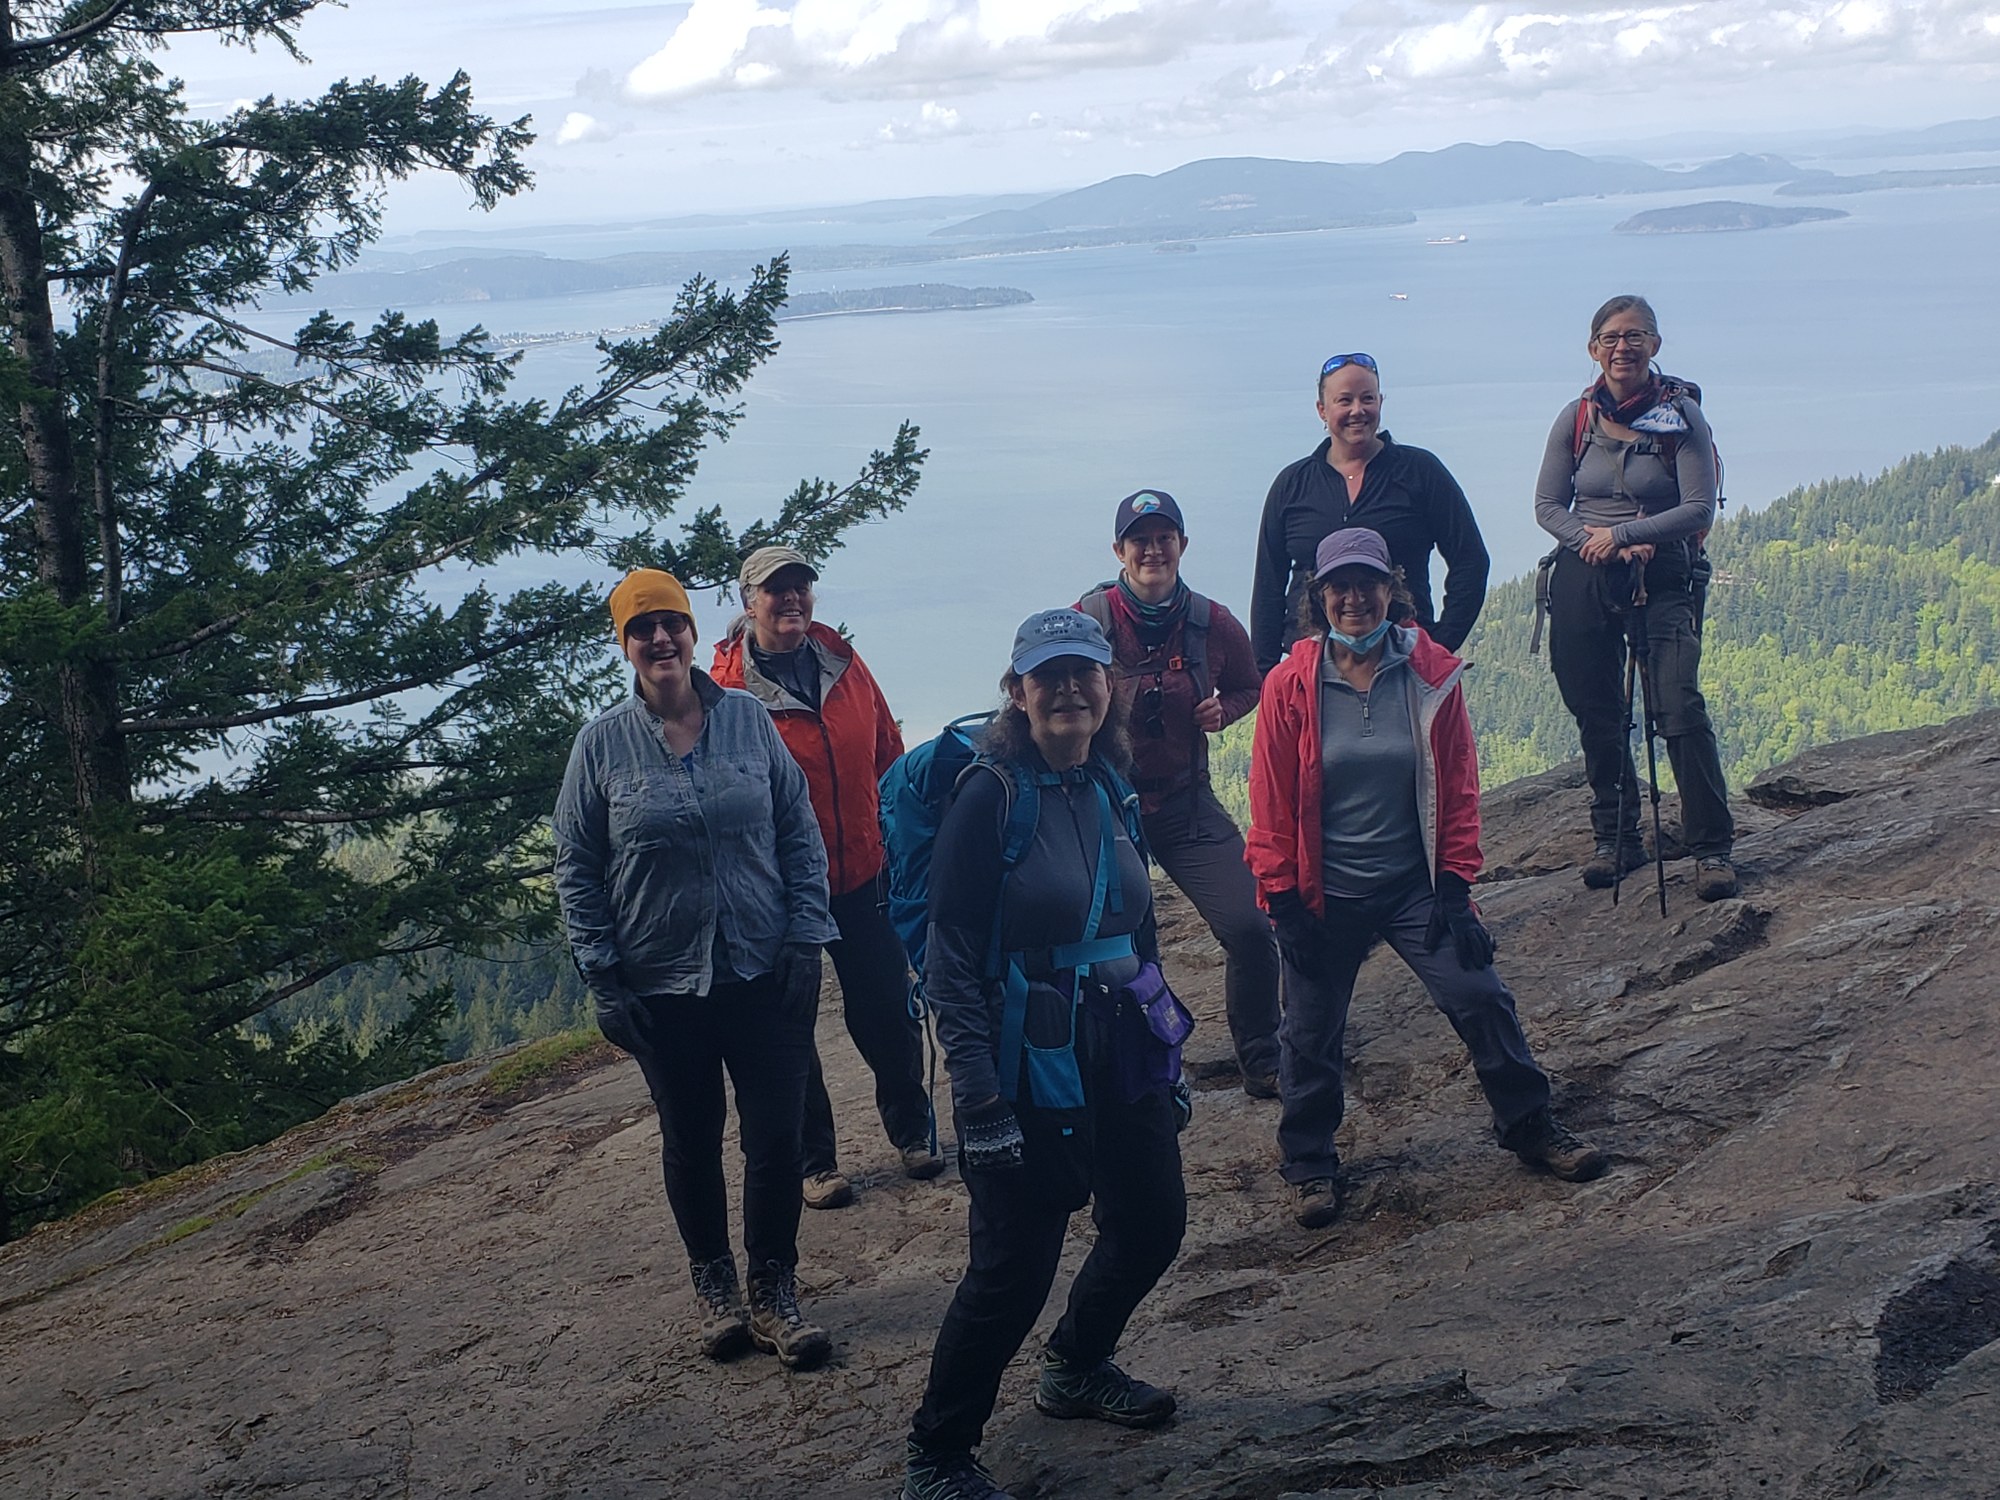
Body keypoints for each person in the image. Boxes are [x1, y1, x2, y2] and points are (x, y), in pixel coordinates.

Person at [903, 610, 1189, 1500]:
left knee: (1153, 1223)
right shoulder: (989, 798)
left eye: (1084, 672)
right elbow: (950, 960)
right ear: (1018, 693)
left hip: (1121, 1044)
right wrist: (979, 1101)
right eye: (1048, 676)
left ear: (1109, 686)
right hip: (1025, 1059)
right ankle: (938, 1454)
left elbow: (1136, 926)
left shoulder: (1109, 782)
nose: (1068, 690)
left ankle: (1075, 1365)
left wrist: (1168, 1051)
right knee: (1013, 1272)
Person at [1246, 529, 1605, 1230]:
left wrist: (1456, 890)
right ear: (1319, 597)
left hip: (1413, 886)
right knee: (1309, 1031)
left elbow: (1459, 787)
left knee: (1480, 996)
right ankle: (1310, 1163)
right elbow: (1271, 802)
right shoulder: (1292, 685)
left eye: (1368, 584)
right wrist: (1282, 901)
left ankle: (1530, 1124)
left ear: (1392, 589)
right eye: (1339, 586)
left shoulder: (1428, 673)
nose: (1354, 599)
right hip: (1325, 893)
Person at [553, 568, 839, 1370]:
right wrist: (602, 977)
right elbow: (576, 866)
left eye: (671, 623)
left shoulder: (747, 720)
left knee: (776, 1138)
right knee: (691, 1138)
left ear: (690, 630)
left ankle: (774, 1294)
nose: (660, 639)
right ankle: (717, 1293)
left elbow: (798, 830)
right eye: (642, 629)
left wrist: (805, 938)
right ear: (625, 645)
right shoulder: (601, 745)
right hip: (661, 982)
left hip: (763, 968)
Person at [712, 545, 943, 1209]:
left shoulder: (842, 662)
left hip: (863, 870)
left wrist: (900, 840)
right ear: (749, 602)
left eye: (800, 586)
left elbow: (887, 753)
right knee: (788, 1028)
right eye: (775, 589)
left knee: (887, 1011)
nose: (791, 599)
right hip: (778, 890)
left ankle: (913, 1130)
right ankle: (815, 1163)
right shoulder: (726, 690)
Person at [1076, 489, 1281, 1098]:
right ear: (1119, 551)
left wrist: (1226, 710)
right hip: (1107, 806)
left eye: (1164, 538)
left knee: (1250, 925)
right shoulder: (1090, 620)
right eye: (1139, 540)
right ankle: (1145, 1067)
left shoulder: (1212, 622)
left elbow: (1251, 683)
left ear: (1182, 545)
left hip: (1186, 802)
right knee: (1129, 946)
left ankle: (1263, 1058)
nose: (1153, 551)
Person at [1533, 295, 1738, 900]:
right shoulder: (1576, 418)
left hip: (1664, 570)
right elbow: (1547, 504)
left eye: (1635, 335)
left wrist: (1625, 535)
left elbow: (1698, 508)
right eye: (1612, 337)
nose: (1623, 346)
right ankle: (1616, 839)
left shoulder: (1681, 417)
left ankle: (1711, 848)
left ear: (1655, 345)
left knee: (1677, 705)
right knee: (1595, 706)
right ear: (1594, 349)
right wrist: (1595, 543)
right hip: (1588, 569)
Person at [1251, 351, 1490, 674]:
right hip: (1309, 669)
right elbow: (1268, 585)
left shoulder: (1421, 472)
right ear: (1322, 410)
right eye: (1344, 400)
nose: (1357, 410)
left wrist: (1439, 646)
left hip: (1403, 665)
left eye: (1367, 398)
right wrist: (1266, 673)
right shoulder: (1293, 484)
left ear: (1380, 402)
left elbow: (1471, 561)